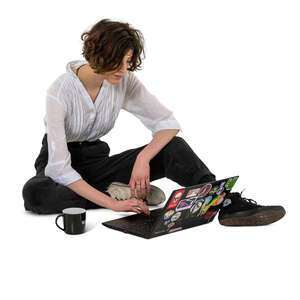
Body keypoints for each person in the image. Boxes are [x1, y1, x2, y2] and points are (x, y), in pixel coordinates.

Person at [22, 18, 285, 226]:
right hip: (57, 164)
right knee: (36, 194)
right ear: (97, 53)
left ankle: (225, 202)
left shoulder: (123, 80)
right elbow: (59, 169)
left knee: (174, 146)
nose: (123, 70)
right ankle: (114, 194)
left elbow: (166, 123)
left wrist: (143, 158)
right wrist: (113, 205)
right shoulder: (59, 91)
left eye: (127, 62)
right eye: (117, 61)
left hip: (98, 163)